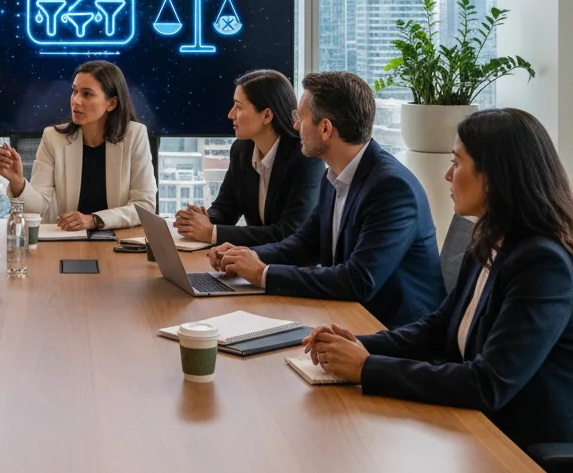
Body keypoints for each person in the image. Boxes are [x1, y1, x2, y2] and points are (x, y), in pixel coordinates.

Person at [304, 108, 573, 450]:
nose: (448, 175)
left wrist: (367, 368)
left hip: (521, 450)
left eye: (457, 162)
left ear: (493, 175)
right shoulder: (491, 238)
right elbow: (438, 328)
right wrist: (357, 345)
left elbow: (488, 383)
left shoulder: (543, 264)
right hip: (472, 429)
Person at [210, 71, 445, 329]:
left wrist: (262, 274)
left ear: (325, 129)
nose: (295, 126)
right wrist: (245, 256)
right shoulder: (334, 175)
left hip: (392, 333)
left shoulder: (391, 188)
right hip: (345, 317)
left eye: (301, 118)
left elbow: (358, 280)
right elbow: (304, 244)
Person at [0, 61, 156, 229]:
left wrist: (94, 220)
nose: (76, 100)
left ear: (112, 103)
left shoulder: (135, 135)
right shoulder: (53, 138)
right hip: (69, 240)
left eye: (87, 94)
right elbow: (40, 209)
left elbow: (145, 206)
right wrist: (18, 182)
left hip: (117, 240)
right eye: (74, 91)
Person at [173, 69, 322, 246]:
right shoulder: (241, 150)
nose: (230, 114)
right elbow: (225, 209)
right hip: (252, 262)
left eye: (239, 107)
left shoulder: (306, 157)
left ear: (267, 115)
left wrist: (211, 232)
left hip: (294, 269)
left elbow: (289, 232)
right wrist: (200, 220)